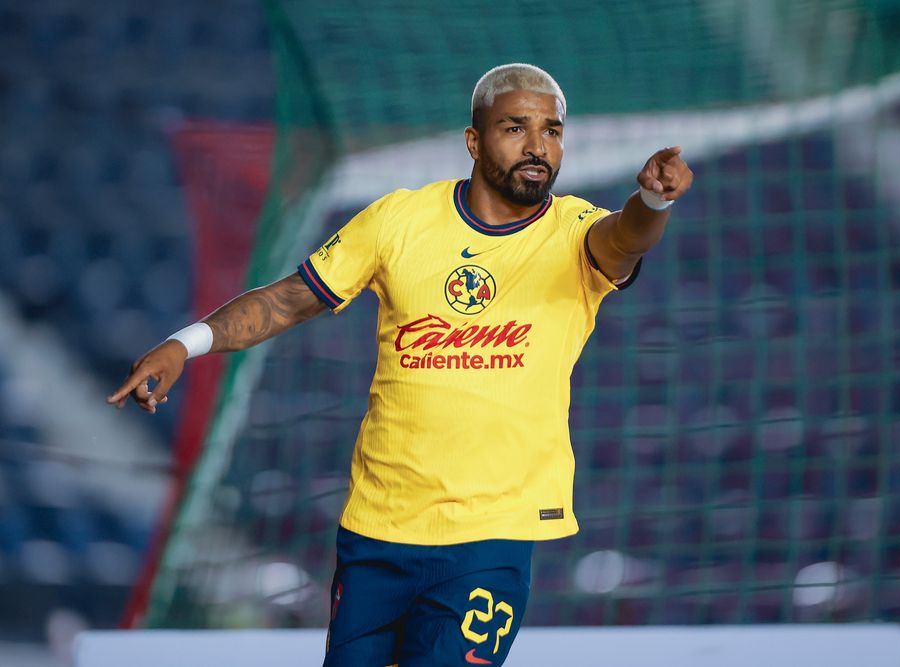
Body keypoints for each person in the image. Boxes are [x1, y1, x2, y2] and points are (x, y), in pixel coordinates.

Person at [108, 63, 693, 666]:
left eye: (551, 131)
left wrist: (651, 199)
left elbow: (628, 238)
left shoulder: (577, 232)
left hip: (489, 536)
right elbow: (288, 299)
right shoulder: (398, 220)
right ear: (473, 140)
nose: (537, 146)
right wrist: (186, 342)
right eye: (515, 128)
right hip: (377, 529)